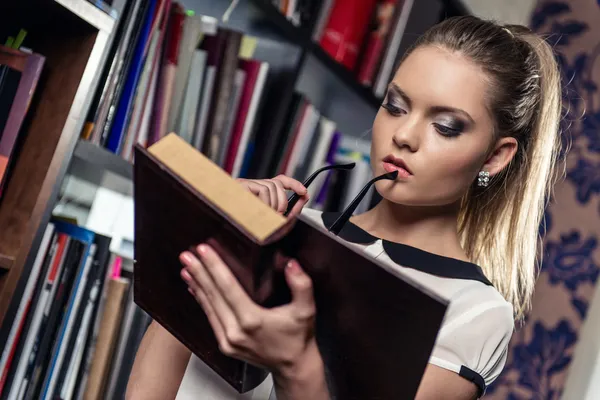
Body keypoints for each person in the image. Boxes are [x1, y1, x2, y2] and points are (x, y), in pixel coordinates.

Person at [126, 14, 563, 400]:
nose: (405, 135)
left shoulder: (474, 311)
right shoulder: (286, 230)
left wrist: (297, 364)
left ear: (494, 156)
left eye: (445, 126)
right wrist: (215, 231)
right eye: (395, 106)